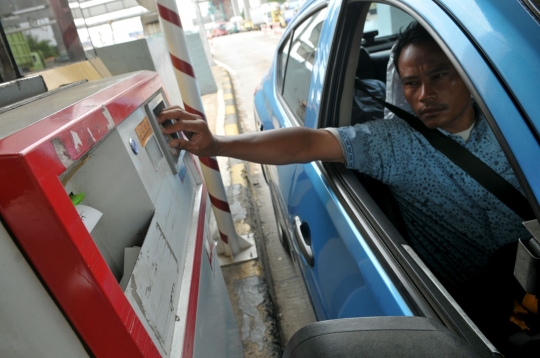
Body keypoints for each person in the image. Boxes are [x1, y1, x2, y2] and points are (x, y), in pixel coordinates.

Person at [159, 22, 529, 293]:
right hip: (476, 301)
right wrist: (217, 144)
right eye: (411, 83)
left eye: (439, 75)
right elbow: (307, 144)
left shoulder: (514, 124)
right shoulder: (394, 143)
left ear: (467, 76)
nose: (424, 94)